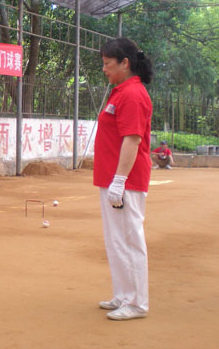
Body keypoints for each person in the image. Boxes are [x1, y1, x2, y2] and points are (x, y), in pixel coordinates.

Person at [93, 37, 153, 321]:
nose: (104, 68)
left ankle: (137, 302)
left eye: (108, 63)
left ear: (125, 63)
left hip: (125, 180)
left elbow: (132, 139)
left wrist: (119, 180)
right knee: (116, 240)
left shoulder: (133, 94)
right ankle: (123, 294)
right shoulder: (119, 92)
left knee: (129, 239)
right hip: (111, 178)